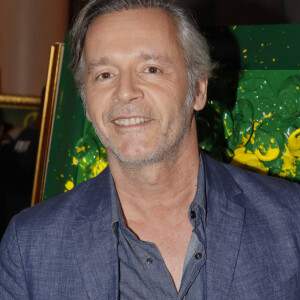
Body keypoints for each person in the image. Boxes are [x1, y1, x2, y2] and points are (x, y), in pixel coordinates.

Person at [0, 0, 299, 299]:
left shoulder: (290, 222)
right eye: (105, 74)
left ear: (198, 90)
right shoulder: (29, 247)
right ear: (86, 104)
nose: (125, 91)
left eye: (151, 69)